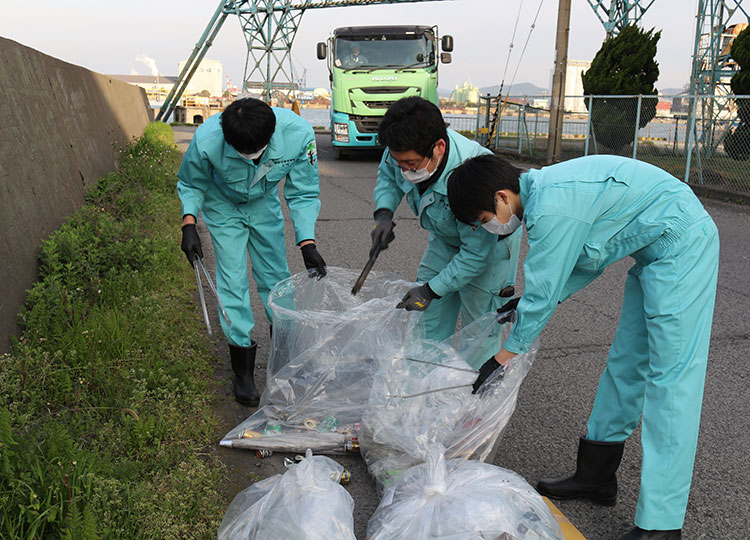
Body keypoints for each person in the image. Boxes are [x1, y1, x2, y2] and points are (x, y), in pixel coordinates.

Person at [446, 154, 720, 540]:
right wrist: (528, 304)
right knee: (626, 363)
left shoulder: (554, 207)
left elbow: (546, 284)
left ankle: (661, 525)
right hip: (652, 253)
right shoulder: (542, 197)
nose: (485, 227)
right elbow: (583, 264)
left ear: (501, 197)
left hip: (683, 246)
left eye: (481, 218)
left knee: (671, 384)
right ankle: (596, 476)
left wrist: (505, 355)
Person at [177, 97, 327, 407]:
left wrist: (307, 243)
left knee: (277, 280)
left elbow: (303, 192)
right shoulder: (207, 139)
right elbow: (191, 182)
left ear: (271, 137)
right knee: (232, 280)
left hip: (263, 204)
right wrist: (189, 224)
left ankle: (285, 361)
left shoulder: (298, 135)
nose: (249, 157)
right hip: (222, 205)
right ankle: (242, 371)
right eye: (241, 153)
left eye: (255, 151)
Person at [371, 97, 521, 363]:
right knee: (428, 318)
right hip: (445, 238)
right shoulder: (401, 148)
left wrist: (431, 289)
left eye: (412, 164)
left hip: (489, 248)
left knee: (481, 327)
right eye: (399, 163)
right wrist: (384, 213)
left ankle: (480, 396)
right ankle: (425, 390)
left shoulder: (473, 177)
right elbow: (388, 176)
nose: (404, 170)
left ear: (439, 147)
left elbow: (476, 254)